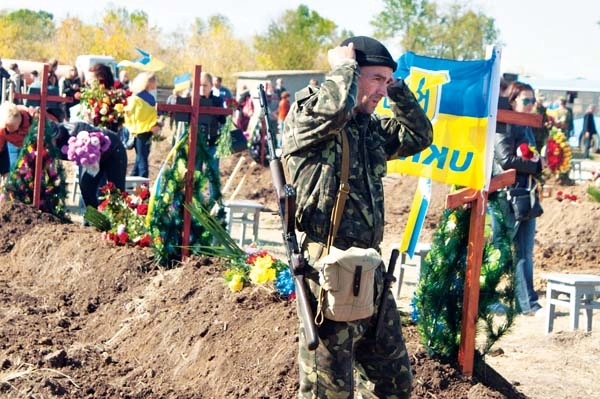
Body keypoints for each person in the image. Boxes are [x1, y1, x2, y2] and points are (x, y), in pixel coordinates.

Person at [282, 36, 433, 398]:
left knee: (393, 386)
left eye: (387, 80)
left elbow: (419, 135)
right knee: (329, 392)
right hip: (328, 272)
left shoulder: (371, 130)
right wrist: (345, 68)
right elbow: (333, 110)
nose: (382, 89)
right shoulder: (309, 117)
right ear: (351, 74)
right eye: (376, 79)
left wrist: (397, 89)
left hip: (371, 271)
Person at [491, 81, 544, 316]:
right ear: (512, 101)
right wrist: (535, 165)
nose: (531, 105)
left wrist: (539, 164)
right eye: (526, 100)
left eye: (533, 101)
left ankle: (528, 304)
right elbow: (505, 159)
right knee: (499, 250)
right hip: (505, 195)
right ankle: (487, 298)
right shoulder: (504, 123)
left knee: (525, 251)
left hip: (526, 195)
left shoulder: (528, 127)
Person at [51, 121, 127, 208]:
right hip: (93, 160)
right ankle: (93, 217)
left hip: (112, 150)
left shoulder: (75, 131)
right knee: (86, 187)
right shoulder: (51, 146)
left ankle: (118, 217)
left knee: (116, 189)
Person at [123, 71, 160, 178]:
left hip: (135, 131)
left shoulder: (134, 96)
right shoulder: (148, 98)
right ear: (149, 83)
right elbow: (153, 113)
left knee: (139, 158)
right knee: (143, 159)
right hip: (146, 130)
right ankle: (144, 184)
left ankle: (132, 179)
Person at [197, 72, 226, 200]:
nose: (203, 88)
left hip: (213, 142)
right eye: (200, 85)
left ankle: (214, 201)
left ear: (211, 86)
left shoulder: (217, 100)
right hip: (197, 143)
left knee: (213, 173)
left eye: (205, 85)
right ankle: (195, 200)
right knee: (196, 172)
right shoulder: (195, 100)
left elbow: (223, 119)